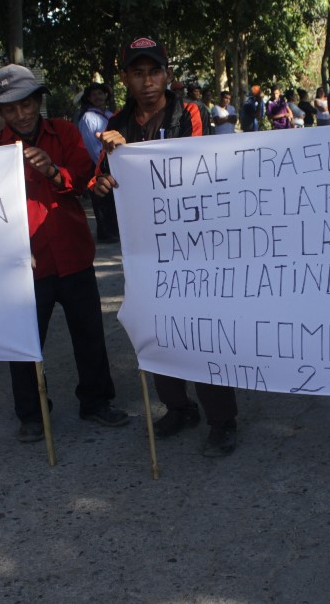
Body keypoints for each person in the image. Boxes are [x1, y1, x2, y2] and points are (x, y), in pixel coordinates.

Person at [92, 36, 238, 457]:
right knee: (157, 329)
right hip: (146, 250)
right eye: (138, 73)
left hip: (196, 243)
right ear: (125, 79)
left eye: (154, 71)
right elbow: (102, 177)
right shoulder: (116, 122)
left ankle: (222, 420)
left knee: (203, 332)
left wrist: (130, 151)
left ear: (167, 75)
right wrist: (102, 181)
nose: (148, 81)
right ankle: (178, 407)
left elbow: (192, 164)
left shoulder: (188, 112)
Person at [0, 63, 129, 441]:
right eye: (10, 109)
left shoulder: (63, 132)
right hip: (23, 264)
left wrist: (53, 171)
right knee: (24, 343)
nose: (21, 114)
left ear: (38, 102)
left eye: (27, 104)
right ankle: (31, 415)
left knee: (89, 335)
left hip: (73, 252)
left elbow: (83, 180)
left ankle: (96, 402)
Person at [77, 82, 119, 243]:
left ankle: (114, 231)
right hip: (99, 165)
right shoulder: (88, 117)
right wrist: (103, 165)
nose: (98, 97)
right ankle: (106, 233)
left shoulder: (110, 114)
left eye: (100, 94)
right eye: (94, 95)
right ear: (88, 98)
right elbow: (91, 145)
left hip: (113, 163)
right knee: (102, 199)